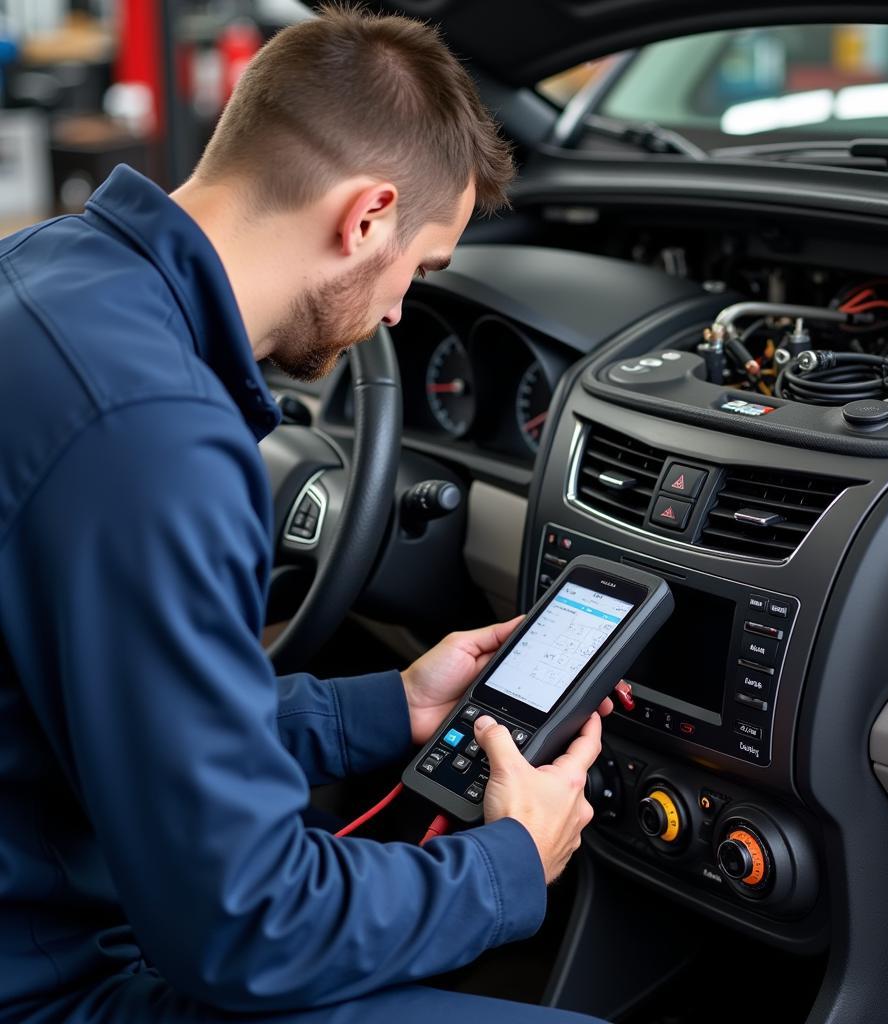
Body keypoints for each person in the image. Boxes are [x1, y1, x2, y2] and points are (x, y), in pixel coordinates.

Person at [0, 7, 608, 1024]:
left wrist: (385, 708)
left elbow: (115, 707)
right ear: (366, 216)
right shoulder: (156, 438)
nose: (401, 312)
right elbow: (247, 926)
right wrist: (508, 861)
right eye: (421, 269)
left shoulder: (51, 276)